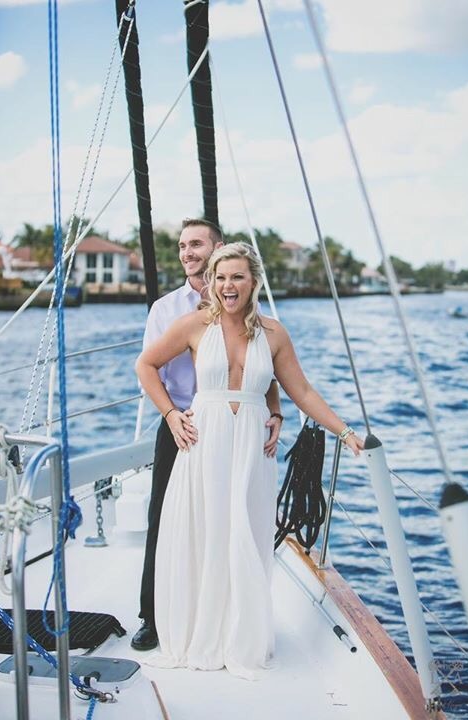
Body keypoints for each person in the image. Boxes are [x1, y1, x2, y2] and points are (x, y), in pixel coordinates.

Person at [135, 242, 363, 678]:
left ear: (253, 281)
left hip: (251, 450)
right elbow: (146, 365)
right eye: (220, 277)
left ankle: (239, 636)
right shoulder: (195, 325)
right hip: (204, 442)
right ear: (211, 281)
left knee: (246, 536)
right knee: (205, 535)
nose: (228, 285)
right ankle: (201, 632)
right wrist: (170, 414)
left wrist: (345, 432)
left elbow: (303, 392)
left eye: (237, 277)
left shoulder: (274, 334)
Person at [131, 221, 283, 651]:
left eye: (195, 244)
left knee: (231, 517)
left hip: (236, 430)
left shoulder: (249, 309)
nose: (187, 253)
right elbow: (148, 366)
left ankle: (227, 616)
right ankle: (154, 617)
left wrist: (275, 410)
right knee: (165, 517)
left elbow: (263, 371)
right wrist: (171, 416)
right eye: (182, 246)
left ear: (218, 249)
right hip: (182, 423)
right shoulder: (167, 309)